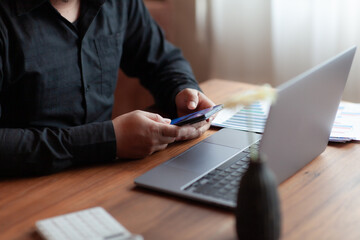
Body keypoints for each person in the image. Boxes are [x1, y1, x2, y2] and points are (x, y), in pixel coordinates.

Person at [0, 0, 215, 177]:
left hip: (105, 175)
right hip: (22, 186)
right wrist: (107, 140)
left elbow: (161, 60)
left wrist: (182, 91)